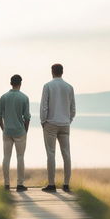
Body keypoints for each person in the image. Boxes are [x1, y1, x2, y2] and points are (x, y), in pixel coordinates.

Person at [40, 64, 76, 192]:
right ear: (62, 72)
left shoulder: (48, 86)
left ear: (52, 72)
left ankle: (51, 184)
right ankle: (66, 184)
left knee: (51, 154)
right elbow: (73, 109)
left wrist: (43, 121)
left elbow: (44, 106)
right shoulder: (69, 87)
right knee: (66, 154)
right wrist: (68, 120)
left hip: (50, 123)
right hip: (65, 124)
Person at [0, 74, 31, 192]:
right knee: (20, 157)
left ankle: (6, 184)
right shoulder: (24, 98)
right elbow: (27, 118)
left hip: (7, 132)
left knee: (6, 157)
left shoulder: (3, 97)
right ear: (20, 83)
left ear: (11, 83)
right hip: (20, 131)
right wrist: (25, 131)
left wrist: (3, 128)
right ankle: (20, 185)